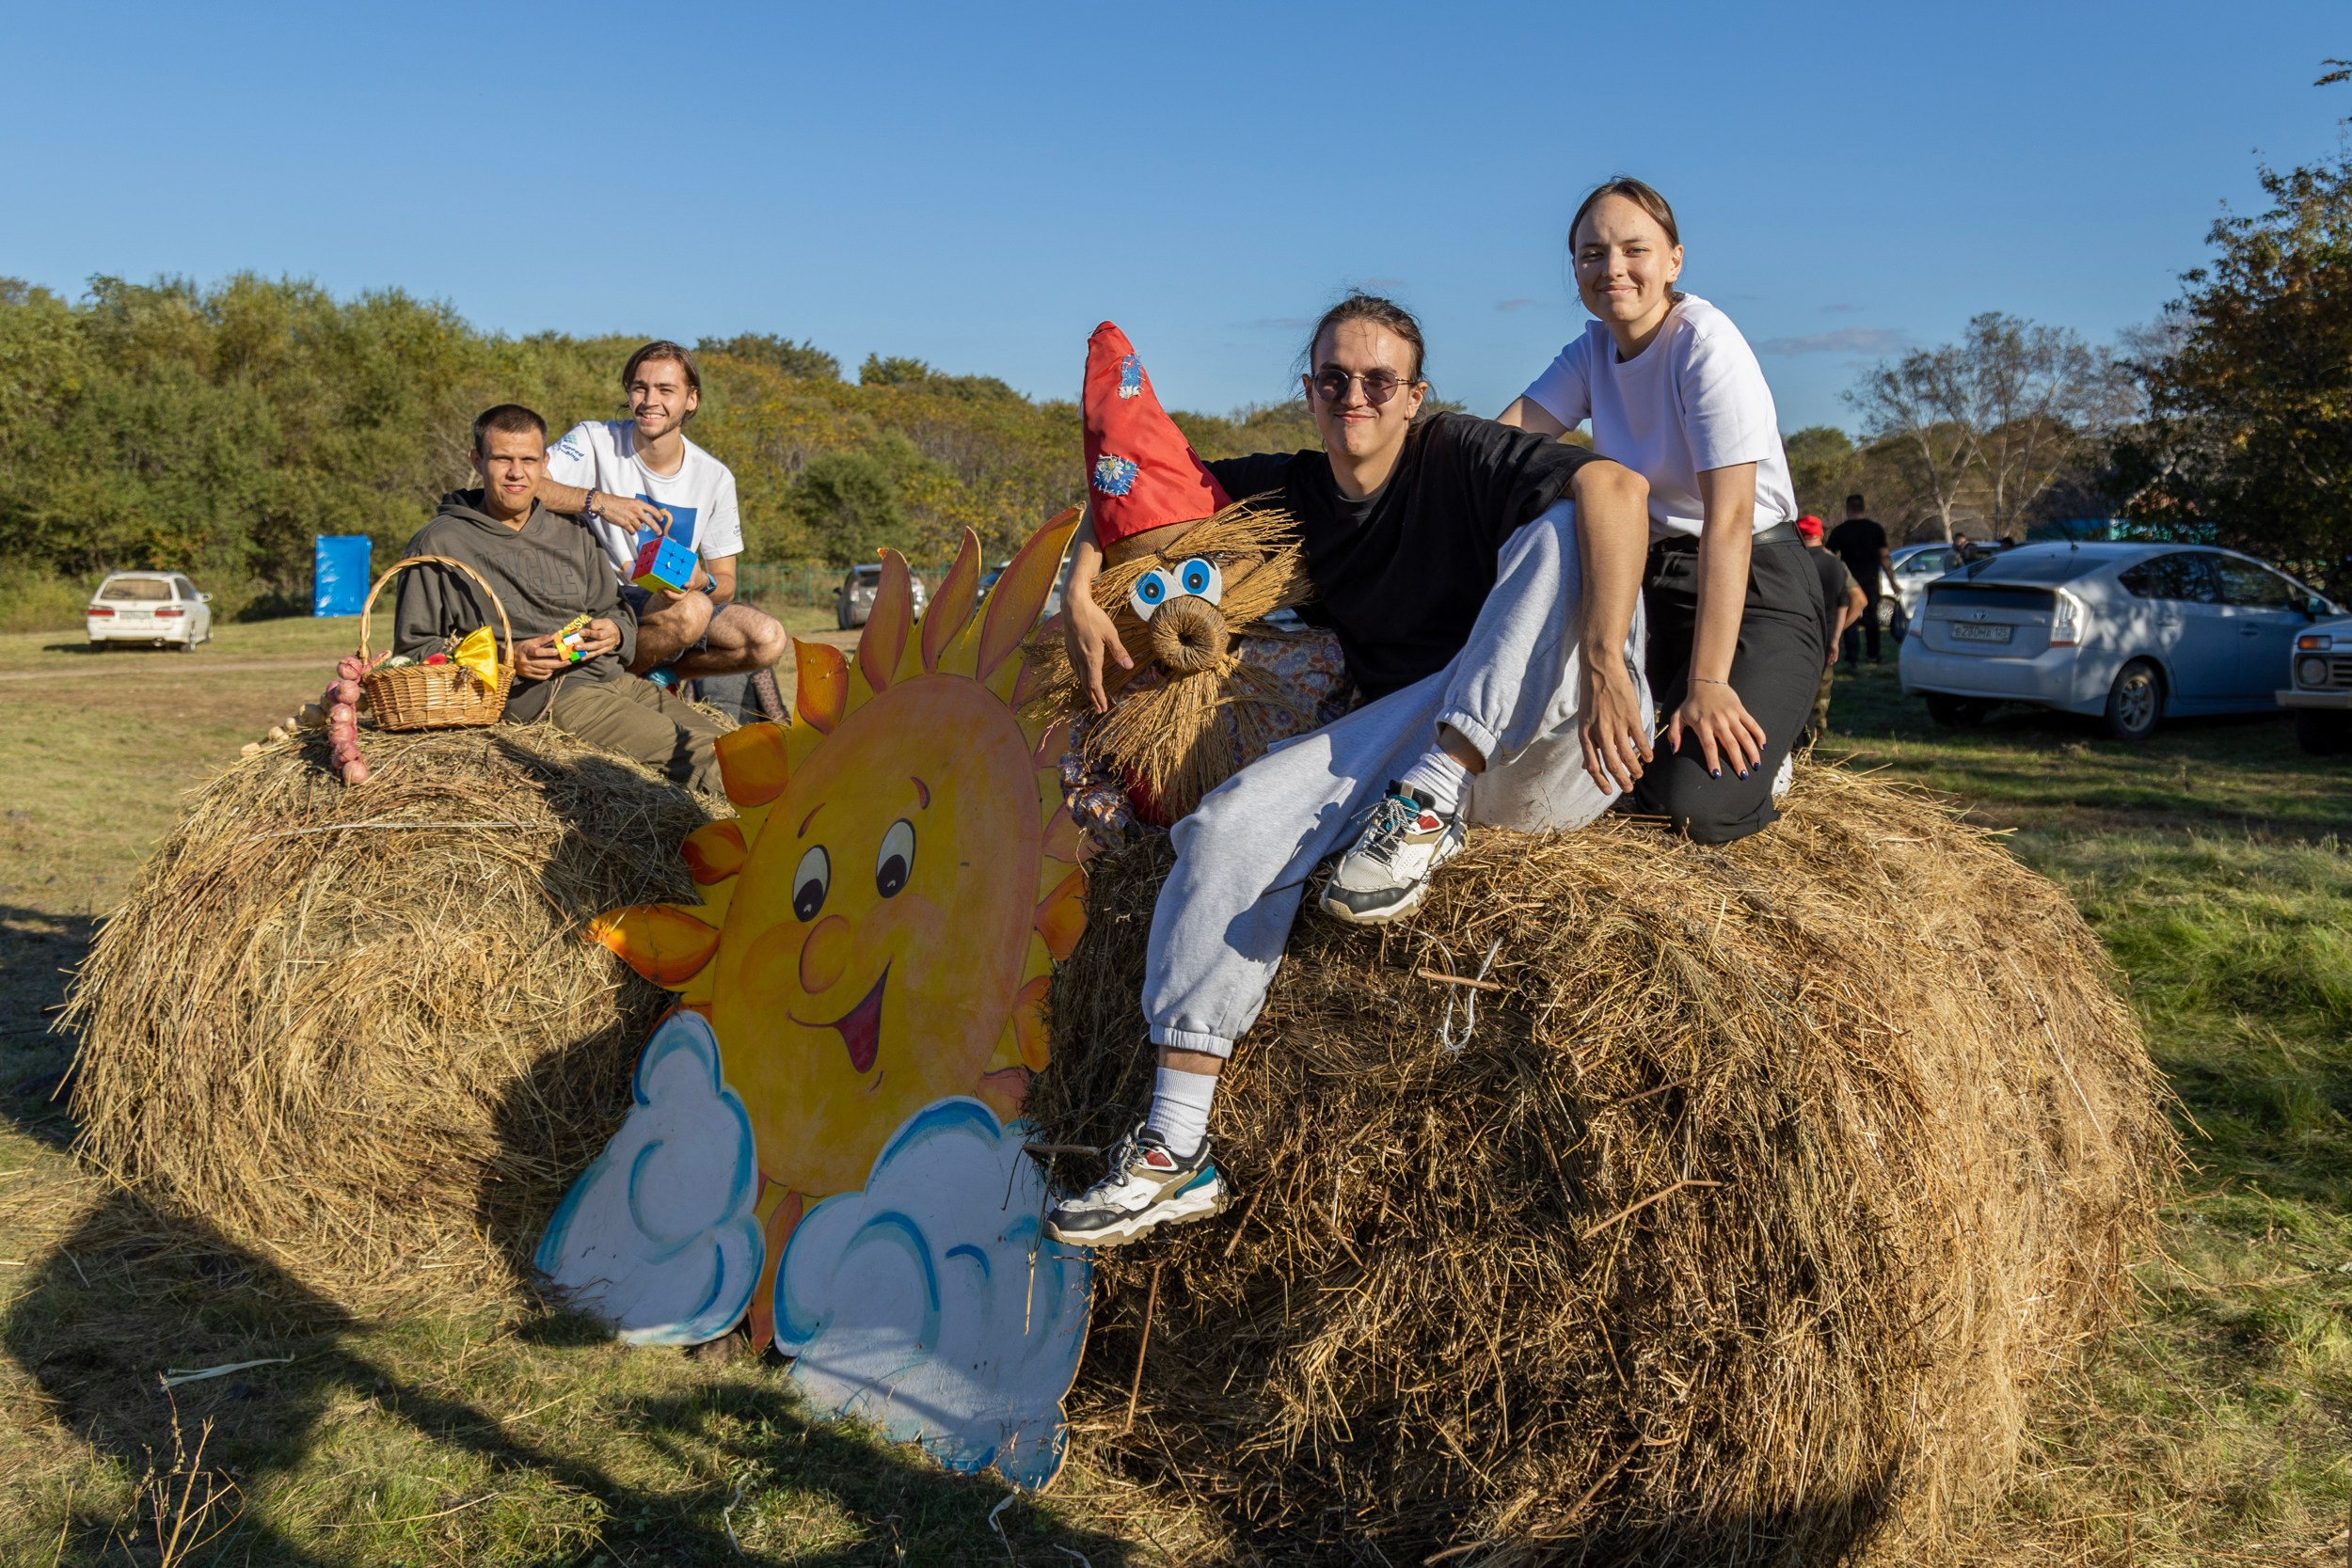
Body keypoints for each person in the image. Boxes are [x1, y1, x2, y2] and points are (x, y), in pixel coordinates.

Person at [1043, 296, 1655, 1248]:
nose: (1353, 397)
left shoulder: (1460, 453)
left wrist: (1612, 661)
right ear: (1310, 391)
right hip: (1414, 734)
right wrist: (1081, 586)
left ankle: (1432, 795)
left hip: (1558, 728)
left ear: (1416, 396)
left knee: (1561, 528)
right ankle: (1173, 1147)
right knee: (1226, 826)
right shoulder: (1293, 490)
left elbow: (1618, 488)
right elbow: (1137, 486)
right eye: (1334, 379)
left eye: (1377, 381)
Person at [1500, 176, 1823, 844]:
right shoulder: (1590, 352)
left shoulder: (1705, 342)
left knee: (1687, 807)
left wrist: (1708, 680)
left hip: (1753, 582)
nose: (1612, 267)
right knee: (1584, 779)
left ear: (1674, 260)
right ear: (1576, 270)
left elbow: (1729, 523)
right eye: (1592, 254)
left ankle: (1776, 751)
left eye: (1633, 249)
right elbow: (1501, 447)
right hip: (1649, 583)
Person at [397, 404, 724, 793]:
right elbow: (415, 650)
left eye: (529, 460)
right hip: (546, 699)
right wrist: (509, 658)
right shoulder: (440, 541)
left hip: (614, 680)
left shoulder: (572, 529)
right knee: (705, 757)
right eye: (502, 459)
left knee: (733, 747)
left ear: (545, 462)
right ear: (477, 460)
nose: (517, 473)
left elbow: (614, 609)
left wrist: (615, 634)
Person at [538, 341, 788, 712]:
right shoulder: (594, 439)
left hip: (671, 605)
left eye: (666, 390)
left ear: (692, 400)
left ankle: (659, 672)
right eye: (640, 387)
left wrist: (704, 582)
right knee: (692, 612)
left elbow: (727, 581)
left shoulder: (715, 477)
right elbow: (529, 485)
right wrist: (601, 502)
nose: (649, 400)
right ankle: (619, 683)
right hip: (601, 599)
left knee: (767, 639)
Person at [1798, 514, 1867, 743]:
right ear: (1820, 534)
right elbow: (1856, 601)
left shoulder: (1791, 561)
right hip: (1824, 640)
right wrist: (1836, 635)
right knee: (1819, 696)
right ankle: (1816, 742)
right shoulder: (1835, 564)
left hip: (1793, 637)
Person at [1827, 492, 1890, 668]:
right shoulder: (1875, 529)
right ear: (1863, 508)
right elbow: (1885, 557)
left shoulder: (1840, 531)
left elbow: (1829, 555)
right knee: (1871, 618)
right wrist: (1892, 581)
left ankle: (1852, 657)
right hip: (1870, 578)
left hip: (1849, 579)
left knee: (1851, 618)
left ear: (1848, 509)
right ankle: (1873, 655)